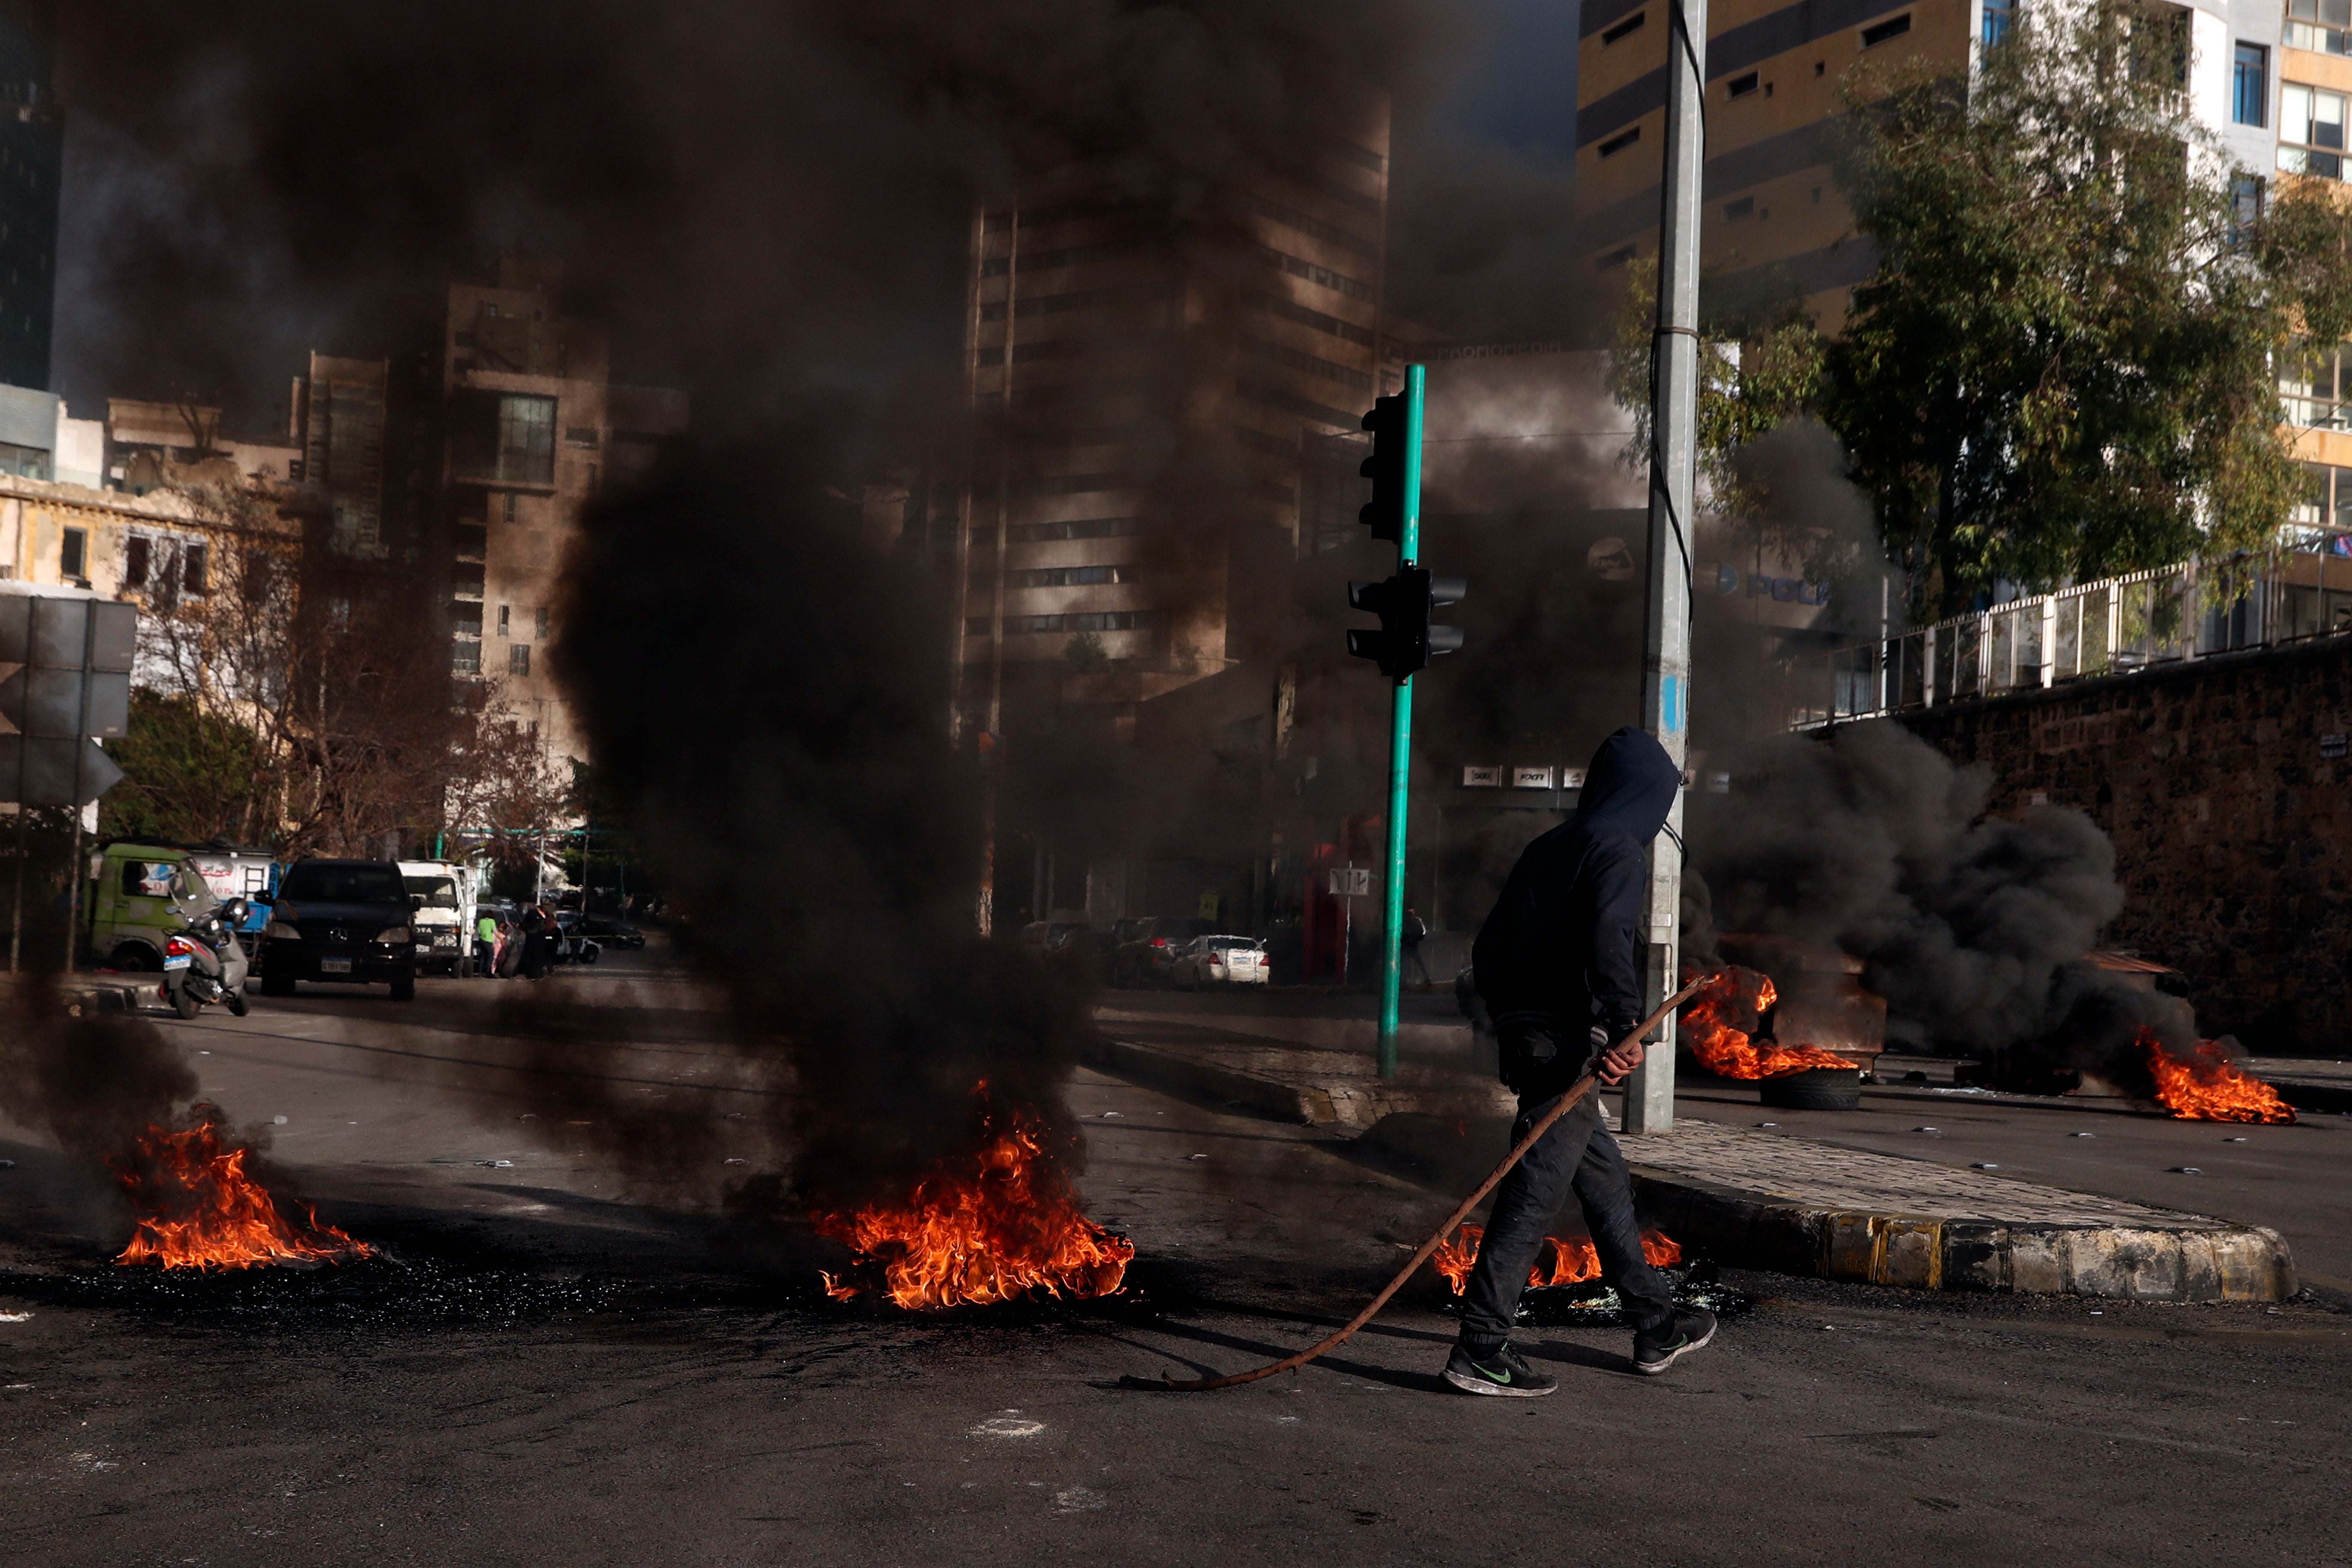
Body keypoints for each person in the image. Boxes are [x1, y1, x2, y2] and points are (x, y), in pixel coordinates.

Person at [1444, 726, 1716, 1396]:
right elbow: (1609, 936)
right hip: (1566, 1044)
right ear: (1647, 797)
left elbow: (1486, 947)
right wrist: (1625, 1023)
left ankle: (1655, 1324)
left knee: (1602, 1180)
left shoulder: (1547, 847)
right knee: (1535, 1191)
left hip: (1527, 1036)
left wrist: (1509, 1018)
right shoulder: (1618, 849)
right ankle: (1479, 1346)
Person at [1400, 905, 1431, 988]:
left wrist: (1414, 939)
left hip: (1410, 947)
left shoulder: (1414, 922)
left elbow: (1422, 933)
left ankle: (1425, 979)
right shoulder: (1409, 922)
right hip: (1410, 947)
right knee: (1413, 963)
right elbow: (1423, 933)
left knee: (1412, 963)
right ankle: (1405, 982)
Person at [474, 910, 499, 978]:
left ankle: (480, 972)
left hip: (481, 940)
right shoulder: (492, 922)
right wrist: (501, 938)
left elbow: (478, 931)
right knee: (491, 957)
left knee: (482, 956)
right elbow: (495, 932)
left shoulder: (481, 921)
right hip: (488, 941)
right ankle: (488, 973)